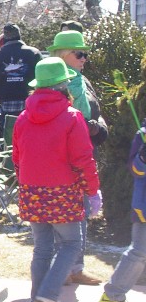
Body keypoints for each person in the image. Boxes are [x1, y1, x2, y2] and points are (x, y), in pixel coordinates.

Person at [12, 57, 100, 302]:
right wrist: (92, 190)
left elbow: (17, 158)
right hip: (62, 191)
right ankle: (48, 295)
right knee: (72, 243)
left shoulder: (23, 118)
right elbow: (83, 158)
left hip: (31, 190)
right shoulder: (72, 117)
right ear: (64, 85)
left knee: (42, 248)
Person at [46, 30, 108, 286]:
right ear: (63, 55)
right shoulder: (55, 84)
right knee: (67, 216)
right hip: (66, 160)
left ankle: (75, 267)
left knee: (81, 212)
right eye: (79, 53)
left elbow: (94, 109)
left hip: (84, 153)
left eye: (85, 54)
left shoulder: (82, 80)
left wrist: (98, 124)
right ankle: (62, 270)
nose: (84, 58)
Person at [97, 122, 146, 302]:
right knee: (139, 252)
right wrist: (143, 157)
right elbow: (136, 170)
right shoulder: (143, 135)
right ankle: (113, 295)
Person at [0, 23, 42, 117]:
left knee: (7, 131)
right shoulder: (34, 53)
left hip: (4, 104)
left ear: (4, 37)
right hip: (30, 102)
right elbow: (42, 78)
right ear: (19, 35)